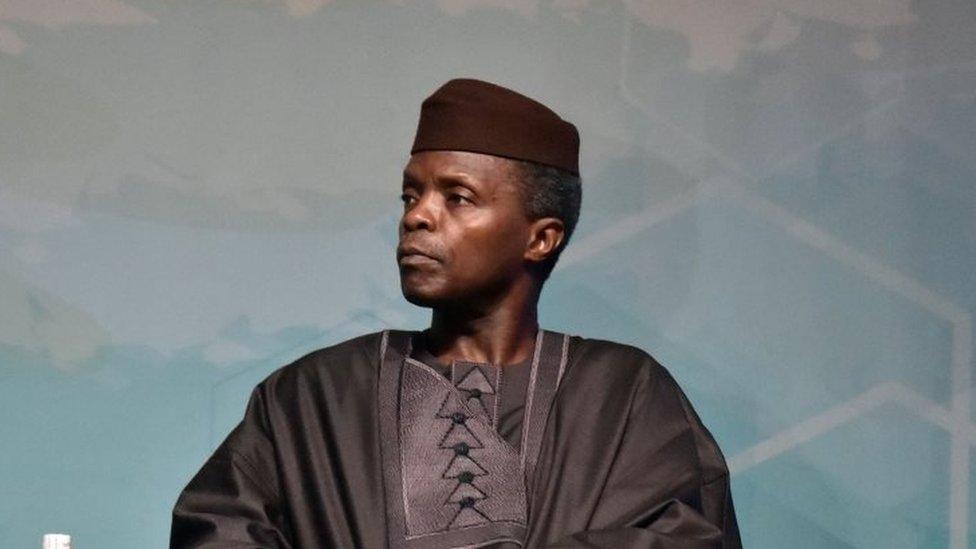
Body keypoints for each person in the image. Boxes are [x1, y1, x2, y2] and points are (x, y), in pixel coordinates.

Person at [170, 78, 741, 548]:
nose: (418, 217)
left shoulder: (623, 396)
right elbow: (218, 533)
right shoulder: (313, 396)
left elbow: (685, 539)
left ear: (540, 239)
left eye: (457, 197)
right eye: (410, 195)